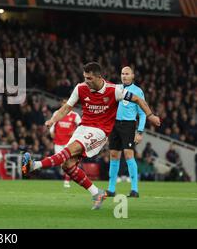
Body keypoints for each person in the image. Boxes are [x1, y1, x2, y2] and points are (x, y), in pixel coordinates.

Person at [22, 62, 161, 210]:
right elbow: (67, 107)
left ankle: (35, 165)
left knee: (71, 149)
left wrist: (150, 115)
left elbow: (138, 99)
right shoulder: (80, 88)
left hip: (99, 131)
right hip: (83, 128)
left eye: (89, 78)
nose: (86, 81)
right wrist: (52, 120)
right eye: (84, 77)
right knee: (67, 165)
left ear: (99, 77)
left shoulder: (115, 90)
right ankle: (97, 193)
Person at [107, 66, 146, 198]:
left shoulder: (138, 92)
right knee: (113, 155)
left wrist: (139, 132)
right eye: (122, 73)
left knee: (129, 155)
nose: (124, 76)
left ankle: (134, 189)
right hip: (114, 125)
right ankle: (111, 189)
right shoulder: (117, 89)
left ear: (133, 76)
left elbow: (143, 113)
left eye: (127, 74)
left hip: (129, 125)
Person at [49, 99, 81, 188]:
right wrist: (51, 131)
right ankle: (67, 173)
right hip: (58, 141)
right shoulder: (57, 113)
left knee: (68, 161)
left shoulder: (75, 115)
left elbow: (81, 125)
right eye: (63, 103)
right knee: (60, 161)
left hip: (69, 142)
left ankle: (66, 181)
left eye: (65, 103)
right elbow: (53, 122)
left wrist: (75, 131)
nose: (64, 104)